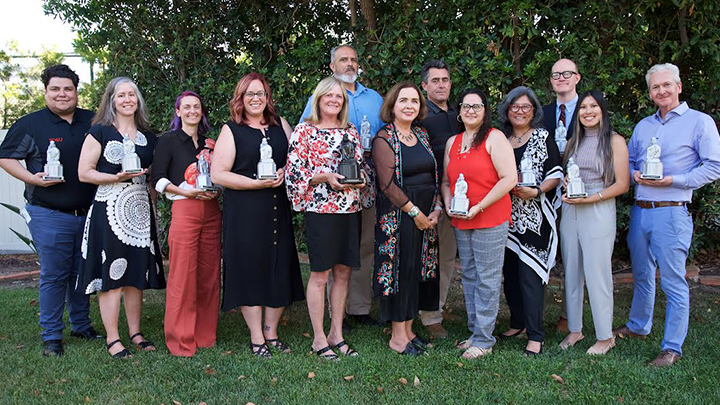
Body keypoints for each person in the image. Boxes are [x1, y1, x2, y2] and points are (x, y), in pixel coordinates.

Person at [615, 63, 720, 366]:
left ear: (679, 86)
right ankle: (638, 327)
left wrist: (675, 181)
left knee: (673, 280)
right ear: (649, 92)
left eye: (666, 85)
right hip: (641, 210)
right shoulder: (644, 126)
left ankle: (672, 347)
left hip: (672, 212)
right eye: (655, 87)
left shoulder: (699, 122)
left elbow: (714, 166)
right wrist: (635, 174)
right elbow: (631, 161)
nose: (661, 91)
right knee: (643, 275)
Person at [0, 65, 102, 357]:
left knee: (81, 272)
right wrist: (32, 179)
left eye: (67, 88)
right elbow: (6, 157)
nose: (62, 94)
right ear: (46, 91)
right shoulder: (31, 124)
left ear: (76, 91)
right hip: (49, 213)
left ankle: (81, 325)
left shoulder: (91, 120)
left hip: (88, 212)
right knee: (55, 275)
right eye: (55, 89)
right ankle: (52, 336)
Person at [212, 73, 305, 358]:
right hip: (245, 212)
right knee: (250, 270)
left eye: (261, 94)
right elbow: (218, 174)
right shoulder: (232, 130)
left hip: (277, 208)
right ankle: (256, 337)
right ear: (240, 99)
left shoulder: (281, 126)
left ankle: (271, 332)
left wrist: (283, 172)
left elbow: (296, 163)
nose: (256, 99)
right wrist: (255, 183)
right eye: (249, 94)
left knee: (279, 267)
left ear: (268, 98)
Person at [77, 77, 165, 358]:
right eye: (121, 95)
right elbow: (84, 172)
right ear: (111, 101)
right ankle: (113, 338)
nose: (127, 99)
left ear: (137, 100)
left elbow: (153, 176)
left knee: (135, 275)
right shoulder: (100, 132)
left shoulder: (149, 137)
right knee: (113, 274)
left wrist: (154, 207)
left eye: (132, 95)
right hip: (109, 211)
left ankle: (135, 332)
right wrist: (114, 177)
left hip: (139, 213)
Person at [299, 44, 384, 328]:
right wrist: (321, 176)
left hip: (361, 187)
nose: (349, 64)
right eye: (343, 60)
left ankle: (357, 309)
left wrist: (365, 178)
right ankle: (331, 321)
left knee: (360, 251)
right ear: (332, 66)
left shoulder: (374, 99)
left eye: (353, 60)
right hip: (322, 202)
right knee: (326, 262)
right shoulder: (313, 113)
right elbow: (301, 156)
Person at [286, 76, 366, 360]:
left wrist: (361, 180)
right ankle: (318, 339)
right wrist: (322, 177)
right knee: (320, 275)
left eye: (339, 97)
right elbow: (293, 174)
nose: (334, 100)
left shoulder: (351, 131)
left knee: (343, 273)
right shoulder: (304, 131)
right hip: (320, 211)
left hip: (349, 209)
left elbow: (360, 166)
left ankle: (337, 334)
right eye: (328, 96)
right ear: (318, 99)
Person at [441, 89, 516, 359]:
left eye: (477, 105)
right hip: (462, 218)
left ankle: (484, 339)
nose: (471, 110)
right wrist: (450, 203)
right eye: (466, 106)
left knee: (487, 278)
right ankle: (475, 332)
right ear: (459, 111)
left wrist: (479, 207)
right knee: (470, 275)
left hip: (489, 218)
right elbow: (447, 182)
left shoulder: (494, 138)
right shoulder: (453, 142)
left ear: (485, 110)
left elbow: (509, 179)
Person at [558, 90, 629, 355]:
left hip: (598, 209)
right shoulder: (572, 142)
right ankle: (575, 329)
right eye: (583, 107)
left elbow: (622, 184)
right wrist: (567, 183)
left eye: (593, 106)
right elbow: (569, 174)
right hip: (571, 211)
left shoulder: (614, 141)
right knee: (572, 271)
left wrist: (593, 197)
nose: (588, 111)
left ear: (602, 110)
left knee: (597, 274)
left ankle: (604, 336)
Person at [151, 91, 221, 357]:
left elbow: (220, 173)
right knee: (182, 276)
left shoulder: (210, 142)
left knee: (209, 275)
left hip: (212, 210)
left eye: (197, 107)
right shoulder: (168, 140)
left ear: (202, 112)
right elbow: (157, 178)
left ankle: (204, 335)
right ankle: (180, 339)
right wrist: (184, 192)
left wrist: (218, 190)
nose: (192, 110)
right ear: (178, 112)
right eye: (187, 107)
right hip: (185, 209)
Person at [372, 82, 440, 356]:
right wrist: (415, 213)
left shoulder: (422, 135)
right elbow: (387, 185)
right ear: (392, 105)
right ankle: (397, 337)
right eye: (403, 101)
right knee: (400, 271)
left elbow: (434, 175)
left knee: (417, 271)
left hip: (426, 214)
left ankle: (409, 331)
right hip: (400, 215)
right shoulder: (384, 138)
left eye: (414, 101)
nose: (409, 105)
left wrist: (435, 210)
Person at [497, 86, 563, 356]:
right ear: (507, 110)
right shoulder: (500, 138)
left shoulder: (543, 136)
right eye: (515, 106)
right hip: (504, 216)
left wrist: (537, 190)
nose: (520, 111)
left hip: (534, 218)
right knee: (510, 275)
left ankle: (535, 336)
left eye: (526, 107)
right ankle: (518, 322)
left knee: (529, 275)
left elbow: (556, 173)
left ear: (534, 111)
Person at [418, 59, 460, 339]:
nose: (441, 84)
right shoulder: (419, 118)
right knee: (425, 258)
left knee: (446, 259)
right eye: (435, 80)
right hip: (429, 199)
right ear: (424, 86)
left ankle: (436, 311)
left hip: (461, 199)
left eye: (445, 79)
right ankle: (424, 315)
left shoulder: (461, 115)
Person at [542, 58, 581, 333]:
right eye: (556, 74)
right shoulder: (541, 113)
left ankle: (569, 315)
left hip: (577, 193)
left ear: (577, 77)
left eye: (567, 73)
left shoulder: (589, 109)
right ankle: (535, 311)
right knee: (542, 250)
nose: (562, 78)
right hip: (542, 192)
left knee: (573, 254)